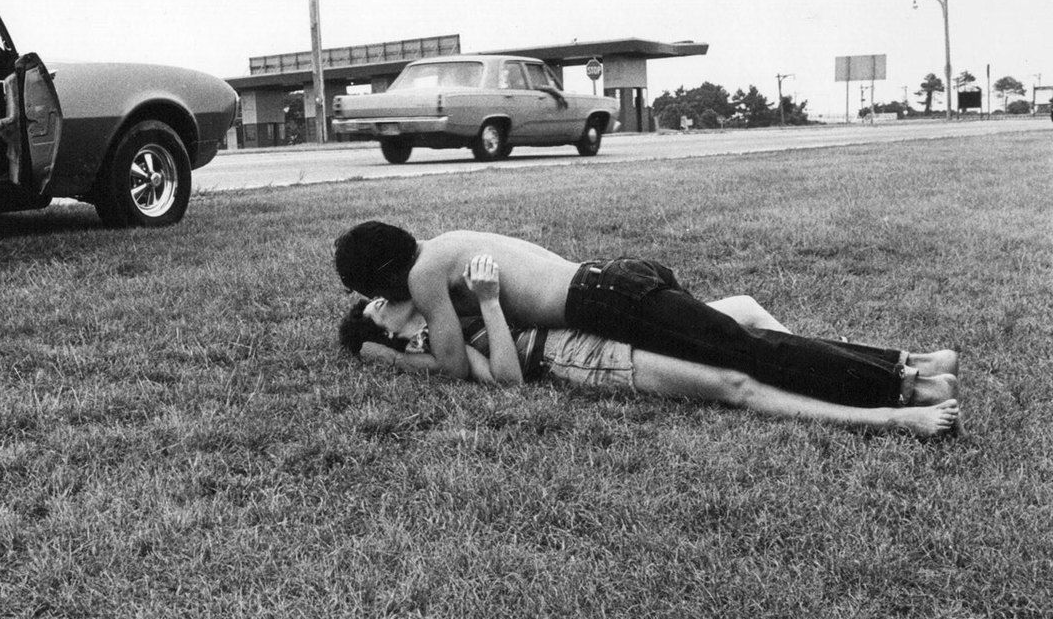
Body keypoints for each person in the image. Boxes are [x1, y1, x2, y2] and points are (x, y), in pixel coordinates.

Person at [332, 221, 959, 410]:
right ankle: (913, 364)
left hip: (606, 300)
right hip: (614, 280)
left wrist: (392, 338)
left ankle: (903, 386)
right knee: (738, 335)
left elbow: (451, 367)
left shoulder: (424, 273)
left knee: (746, 353)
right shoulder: (445, 244)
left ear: (383, 278)